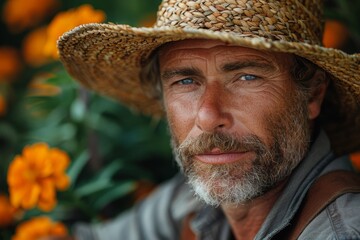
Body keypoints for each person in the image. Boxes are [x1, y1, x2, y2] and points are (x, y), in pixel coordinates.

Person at [57, 0, 360, 239]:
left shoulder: (340, 231)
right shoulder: (190, 198)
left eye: (247, 76)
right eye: (186, 82)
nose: (208, 116)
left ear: (312, 95)